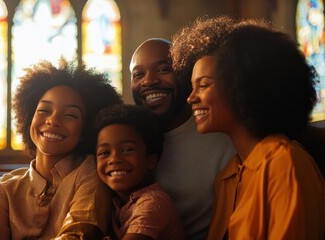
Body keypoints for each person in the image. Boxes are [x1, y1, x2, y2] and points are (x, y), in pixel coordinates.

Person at [172, 16, 325, 239]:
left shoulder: (284, 163)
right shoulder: (229, 176)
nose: (191, 98)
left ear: (244, 85)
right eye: (192, 87)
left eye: (203, 85)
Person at [0, 59, 122, 239]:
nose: (53, 120)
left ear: (86, 130)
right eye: (44, 110)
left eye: (70, 115)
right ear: (29, 117)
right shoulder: (4, 191)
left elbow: (77, 235)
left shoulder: (90, 174)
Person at [130, 38, 235, 239]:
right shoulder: (127, 141)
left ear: (186, 75)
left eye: (163, 69)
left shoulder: (220, 136)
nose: (149, 80)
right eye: (138, 74)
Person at [94, 104, 185, 240]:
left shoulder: (154, 202)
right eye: (104, 152)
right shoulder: (112, 203)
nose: (114, 159)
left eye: (127, 149)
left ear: (151, 161)